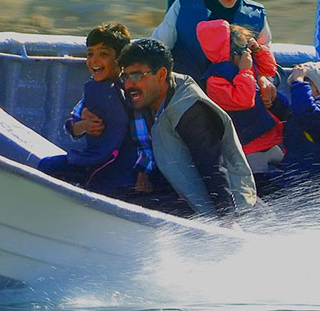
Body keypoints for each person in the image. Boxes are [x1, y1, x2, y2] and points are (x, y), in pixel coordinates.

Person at [118, 38, 259, 220]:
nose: (128, 84)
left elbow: (214, 168)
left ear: (161, 75)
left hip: (234, 208)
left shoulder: (190, 109)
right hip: (184, 196)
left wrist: (228, 221)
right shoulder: (147, 96)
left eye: (136, 76)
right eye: (125, 77)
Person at [152, 0, 278, 104]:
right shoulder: (184, 6)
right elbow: (156, 51)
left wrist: (264, 79)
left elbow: (265, 60)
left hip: (236, 107)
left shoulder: (256, 17)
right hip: (184, 100)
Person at [37, 23, 138, 197]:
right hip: (94, 160)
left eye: (103, 54)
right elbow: (71, 123)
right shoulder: (93, 90)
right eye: (90, 54)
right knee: (47, 166)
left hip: (124, 166)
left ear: (120, 58)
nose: (94, 61)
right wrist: (82, 126)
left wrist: (145, 171)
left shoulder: (132, 89)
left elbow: (147, 136)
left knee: (108, 187)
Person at [196, 20, 290, 193]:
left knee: (283, 180)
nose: (247, 53)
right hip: (248, 148)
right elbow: (244, 100)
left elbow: (269, 69)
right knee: (264, 187)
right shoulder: (215, 82)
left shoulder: (243, 66)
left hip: (270, 138)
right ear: (231, 54)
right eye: (243, 50)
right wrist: (245, 71)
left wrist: (258, 50)